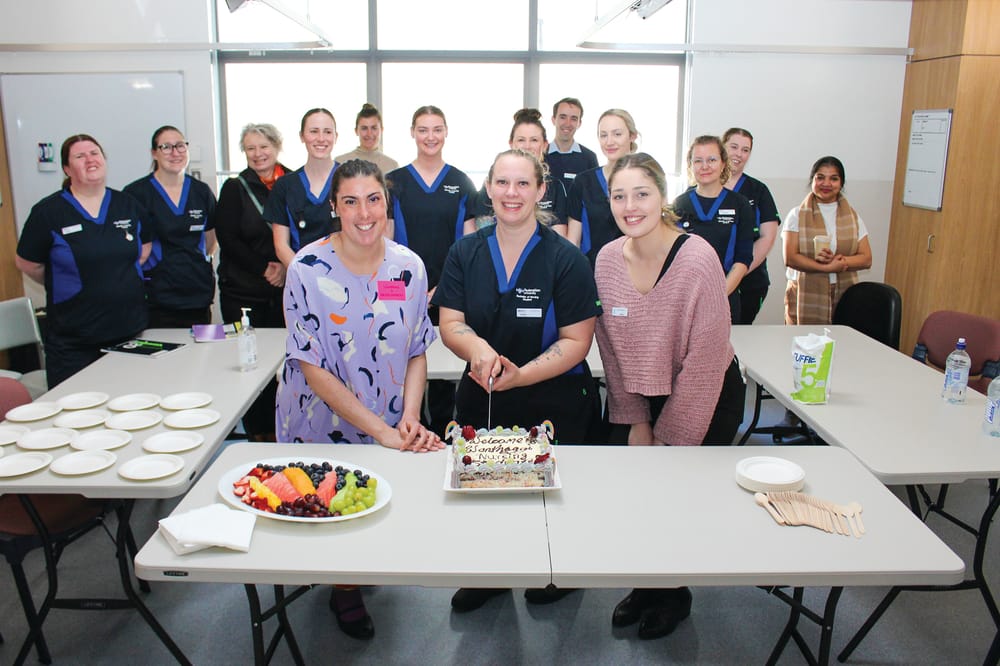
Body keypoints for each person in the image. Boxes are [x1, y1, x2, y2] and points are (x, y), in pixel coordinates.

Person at [275, 158, 443, 639]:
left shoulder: (407, 268)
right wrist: (383, 432)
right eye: (351, 201)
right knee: (331, 511)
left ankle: (357, 572)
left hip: (389, 419)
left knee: (374, 507)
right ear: (335, 207)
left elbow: (415, 349)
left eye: (374, 200)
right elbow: (311, 368)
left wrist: (409, 416)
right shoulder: (307, 269)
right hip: (320, 419)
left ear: (387, 205)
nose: (364, 213)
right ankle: (343, 590)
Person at [433, 148, 601, 613]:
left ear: (541, 190)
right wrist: (480, 351)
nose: (512, 193)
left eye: (523, 183)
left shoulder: (566, 259)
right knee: (488, 492)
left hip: (553, 397)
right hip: (484, 395)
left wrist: (522, 374)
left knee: (552, 498)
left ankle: (557, 571)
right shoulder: (465, 252)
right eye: (502, 183)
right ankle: (491, 572)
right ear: (488, 188)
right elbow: (451, 323)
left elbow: (576, 341)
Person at [595, 152, 745, 639]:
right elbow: (613, 353)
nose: (630, 205)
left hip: (706, 396)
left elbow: (705, 360)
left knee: (679, 500)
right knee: (637, 500)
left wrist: (669, 437)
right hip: (638, 394)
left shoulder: (697, 257)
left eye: (642, 194)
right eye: (619, 196)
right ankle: (645, 585)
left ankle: (673, 594)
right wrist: (636, 419)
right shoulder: (605, 260)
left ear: (663, 198)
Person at [15, 134, 151, 387]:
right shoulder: (48, 212)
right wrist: (68, 279)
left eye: (95, 153)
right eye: (80, 156)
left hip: (128, 333)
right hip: (74, 342)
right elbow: (28, 264)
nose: (90, 159)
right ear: (67, 168)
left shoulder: (127, 205)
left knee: (132, 405)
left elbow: (144, 248)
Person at [387, 105, 477, 437]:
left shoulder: (460, 182)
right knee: (402, 360)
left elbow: (467, 245)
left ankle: (440, 430)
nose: (430, 136)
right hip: (399, 290)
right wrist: (409, 289)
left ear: (446, 132)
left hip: (449, 290)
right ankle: (408, 429)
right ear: (412, 132)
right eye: (423, 129)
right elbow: (385, 243)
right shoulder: (394, 181)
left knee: (445, 368)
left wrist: (441, 289)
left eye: (437, 129)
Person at [215, 122, 289, 440]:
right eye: (250, 148)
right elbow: (228, 238)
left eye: (264, 147)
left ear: (277, 147)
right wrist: (267, 268)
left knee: (287, 367)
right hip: (244, 292)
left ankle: (286, 427)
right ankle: (260, 434)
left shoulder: (293, 182)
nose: (258, 154)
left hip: (285, 291)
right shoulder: (234, 187)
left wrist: (286, 267)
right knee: (251, 368)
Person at [124, 125, 217, 328]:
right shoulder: (136, 194)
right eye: (166, 147)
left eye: (180, 146)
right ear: (154, 153)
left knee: (201, 357)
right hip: (157, 297)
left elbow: (210, 241)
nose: (175, 153)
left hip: (196, 293)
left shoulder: (201, 192)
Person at [671, 135, 754, 322]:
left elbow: (743, 258)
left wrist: (717, 295)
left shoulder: (740, 204)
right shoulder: (679, 204)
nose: (705, 166)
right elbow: (671, 257)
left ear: (723, 163)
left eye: (712, 160)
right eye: (698, 161)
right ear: (690, 165)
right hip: (686, 299)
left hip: (725, 296)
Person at [782, 155, 872, 324]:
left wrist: (841, 261)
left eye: (834, 179)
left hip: (843, 292)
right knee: (806, 344)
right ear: (812, 180)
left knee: (842, 343)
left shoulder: (853, 217)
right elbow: (790, 257)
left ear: (841, 184)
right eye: (820, 177)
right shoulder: (797, 215)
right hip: (804, 293)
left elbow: (866, 258)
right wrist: (826, 268)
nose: (826, 184)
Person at [466, 108, 568, 234]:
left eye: (534, 140)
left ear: (545, 145)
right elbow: (482, 229)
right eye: (521, 140)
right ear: (511, 143)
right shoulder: (494, 181)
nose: (527, 146)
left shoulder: (555, 187)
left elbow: (559, 237)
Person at [266, 108, 339, 267]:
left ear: (336, 136)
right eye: (314, 131)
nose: (321, 138)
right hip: (300, 276)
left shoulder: (350, 180)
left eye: (327, 132)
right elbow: (281, 246)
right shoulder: (285, 186)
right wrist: (305, 276)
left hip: (347, 275)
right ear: (302, 136)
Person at [566, 108, 639, 268]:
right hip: (593, 273)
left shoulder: (646, 180)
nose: (609, 141)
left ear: (632, 136)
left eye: (617, 134)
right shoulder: (583, 182)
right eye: (603, 135)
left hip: (636, 272)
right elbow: (573, 241)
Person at [723, 127, 780, 324]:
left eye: (745, 150)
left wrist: (738, 272)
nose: (739, 154)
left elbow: (767, 237)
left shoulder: (758, 191)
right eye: (734, 146)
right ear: (722, 148)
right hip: (710, 280)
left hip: (749, 282)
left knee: (740, 335)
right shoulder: (702, 189)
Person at [546, 97, 599, 191]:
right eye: (563, 117)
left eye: (573, 119)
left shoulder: (589, 158)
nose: (567, 123)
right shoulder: (541, 155)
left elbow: (594, 195)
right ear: (553, 120)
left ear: (579, 123)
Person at [334, 103, 399, 175]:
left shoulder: (392, 166)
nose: (369, 134)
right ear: (356, 131)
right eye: (364, 128)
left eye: (374, 128)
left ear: (382, 130)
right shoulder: (340, 163)